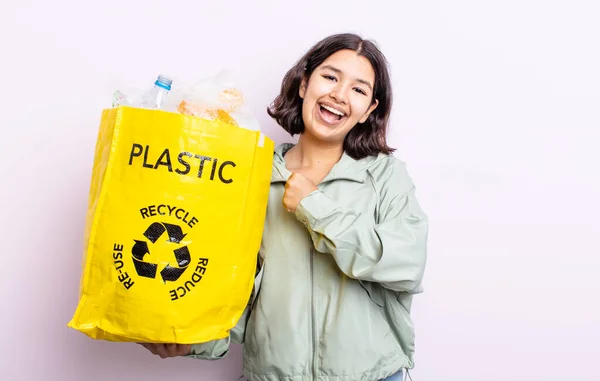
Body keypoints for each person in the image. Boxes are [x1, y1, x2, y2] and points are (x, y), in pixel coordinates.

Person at [140, 33, 429, 381]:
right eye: (331, 77)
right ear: (305, 84)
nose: (339, 94)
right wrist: (191, 343)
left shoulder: (385, 175)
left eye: (358, 89)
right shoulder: (249, 174)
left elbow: (405, 264)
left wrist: (314, 206)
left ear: (369, 110)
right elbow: (234, 291)